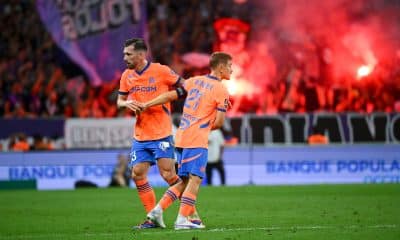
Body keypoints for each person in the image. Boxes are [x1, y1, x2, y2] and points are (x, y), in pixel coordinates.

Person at [139, 52, 232, 230]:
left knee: (182, 180)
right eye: (229, 66)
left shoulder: (193, 81)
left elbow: (170, 96)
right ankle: (182, 219)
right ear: (220, 67)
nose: (232, 70)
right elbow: (219, 122)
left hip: (181, 137)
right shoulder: (221, 89)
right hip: (197, 140)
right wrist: (204, 127)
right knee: (195, 180)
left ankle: (157, 211)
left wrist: (148, 104)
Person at [117, 38, 184, 229]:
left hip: (161, 132)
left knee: (169, 175)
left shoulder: (161, 71)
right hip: (141, 135)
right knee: (137, 174)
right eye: (124, 54)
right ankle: (151, 218)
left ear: (141, 54)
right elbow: (119, 102)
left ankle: (188, 212)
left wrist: (174, 95)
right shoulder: (126, 76)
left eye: (128, 54)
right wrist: (126, 103)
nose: (125, 58)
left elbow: (184, 85)